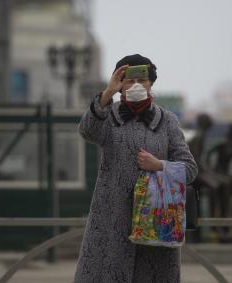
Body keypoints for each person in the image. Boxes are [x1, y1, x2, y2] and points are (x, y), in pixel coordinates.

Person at [74, 54, 198, 282]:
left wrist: (160, 165)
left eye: (143, 80)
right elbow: (87, 132)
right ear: (120, 84)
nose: (136, 85)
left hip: (157, 222)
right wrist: (107, 93)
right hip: (112, 223)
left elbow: (189, 169)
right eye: (129, 80)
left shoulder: (168, 121)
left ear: (151, 83)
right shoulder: (108, 115)